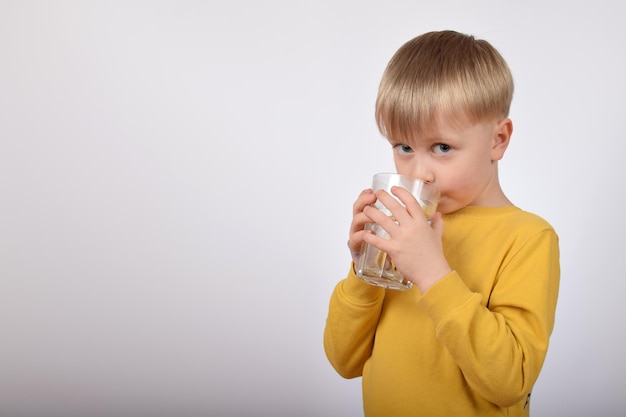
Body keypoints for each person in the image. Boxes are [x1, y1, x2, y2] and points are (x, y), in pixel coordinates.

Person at [323, 30, 560, 417]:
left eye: (442, 148)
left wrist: (432, 272)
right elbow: (342, 360)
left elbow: (511, 383)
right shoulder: (400, 233)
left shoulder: (528, 238)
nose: (420, 174)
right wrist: (363, 272)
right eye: (404, 147)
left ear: (498, 140)